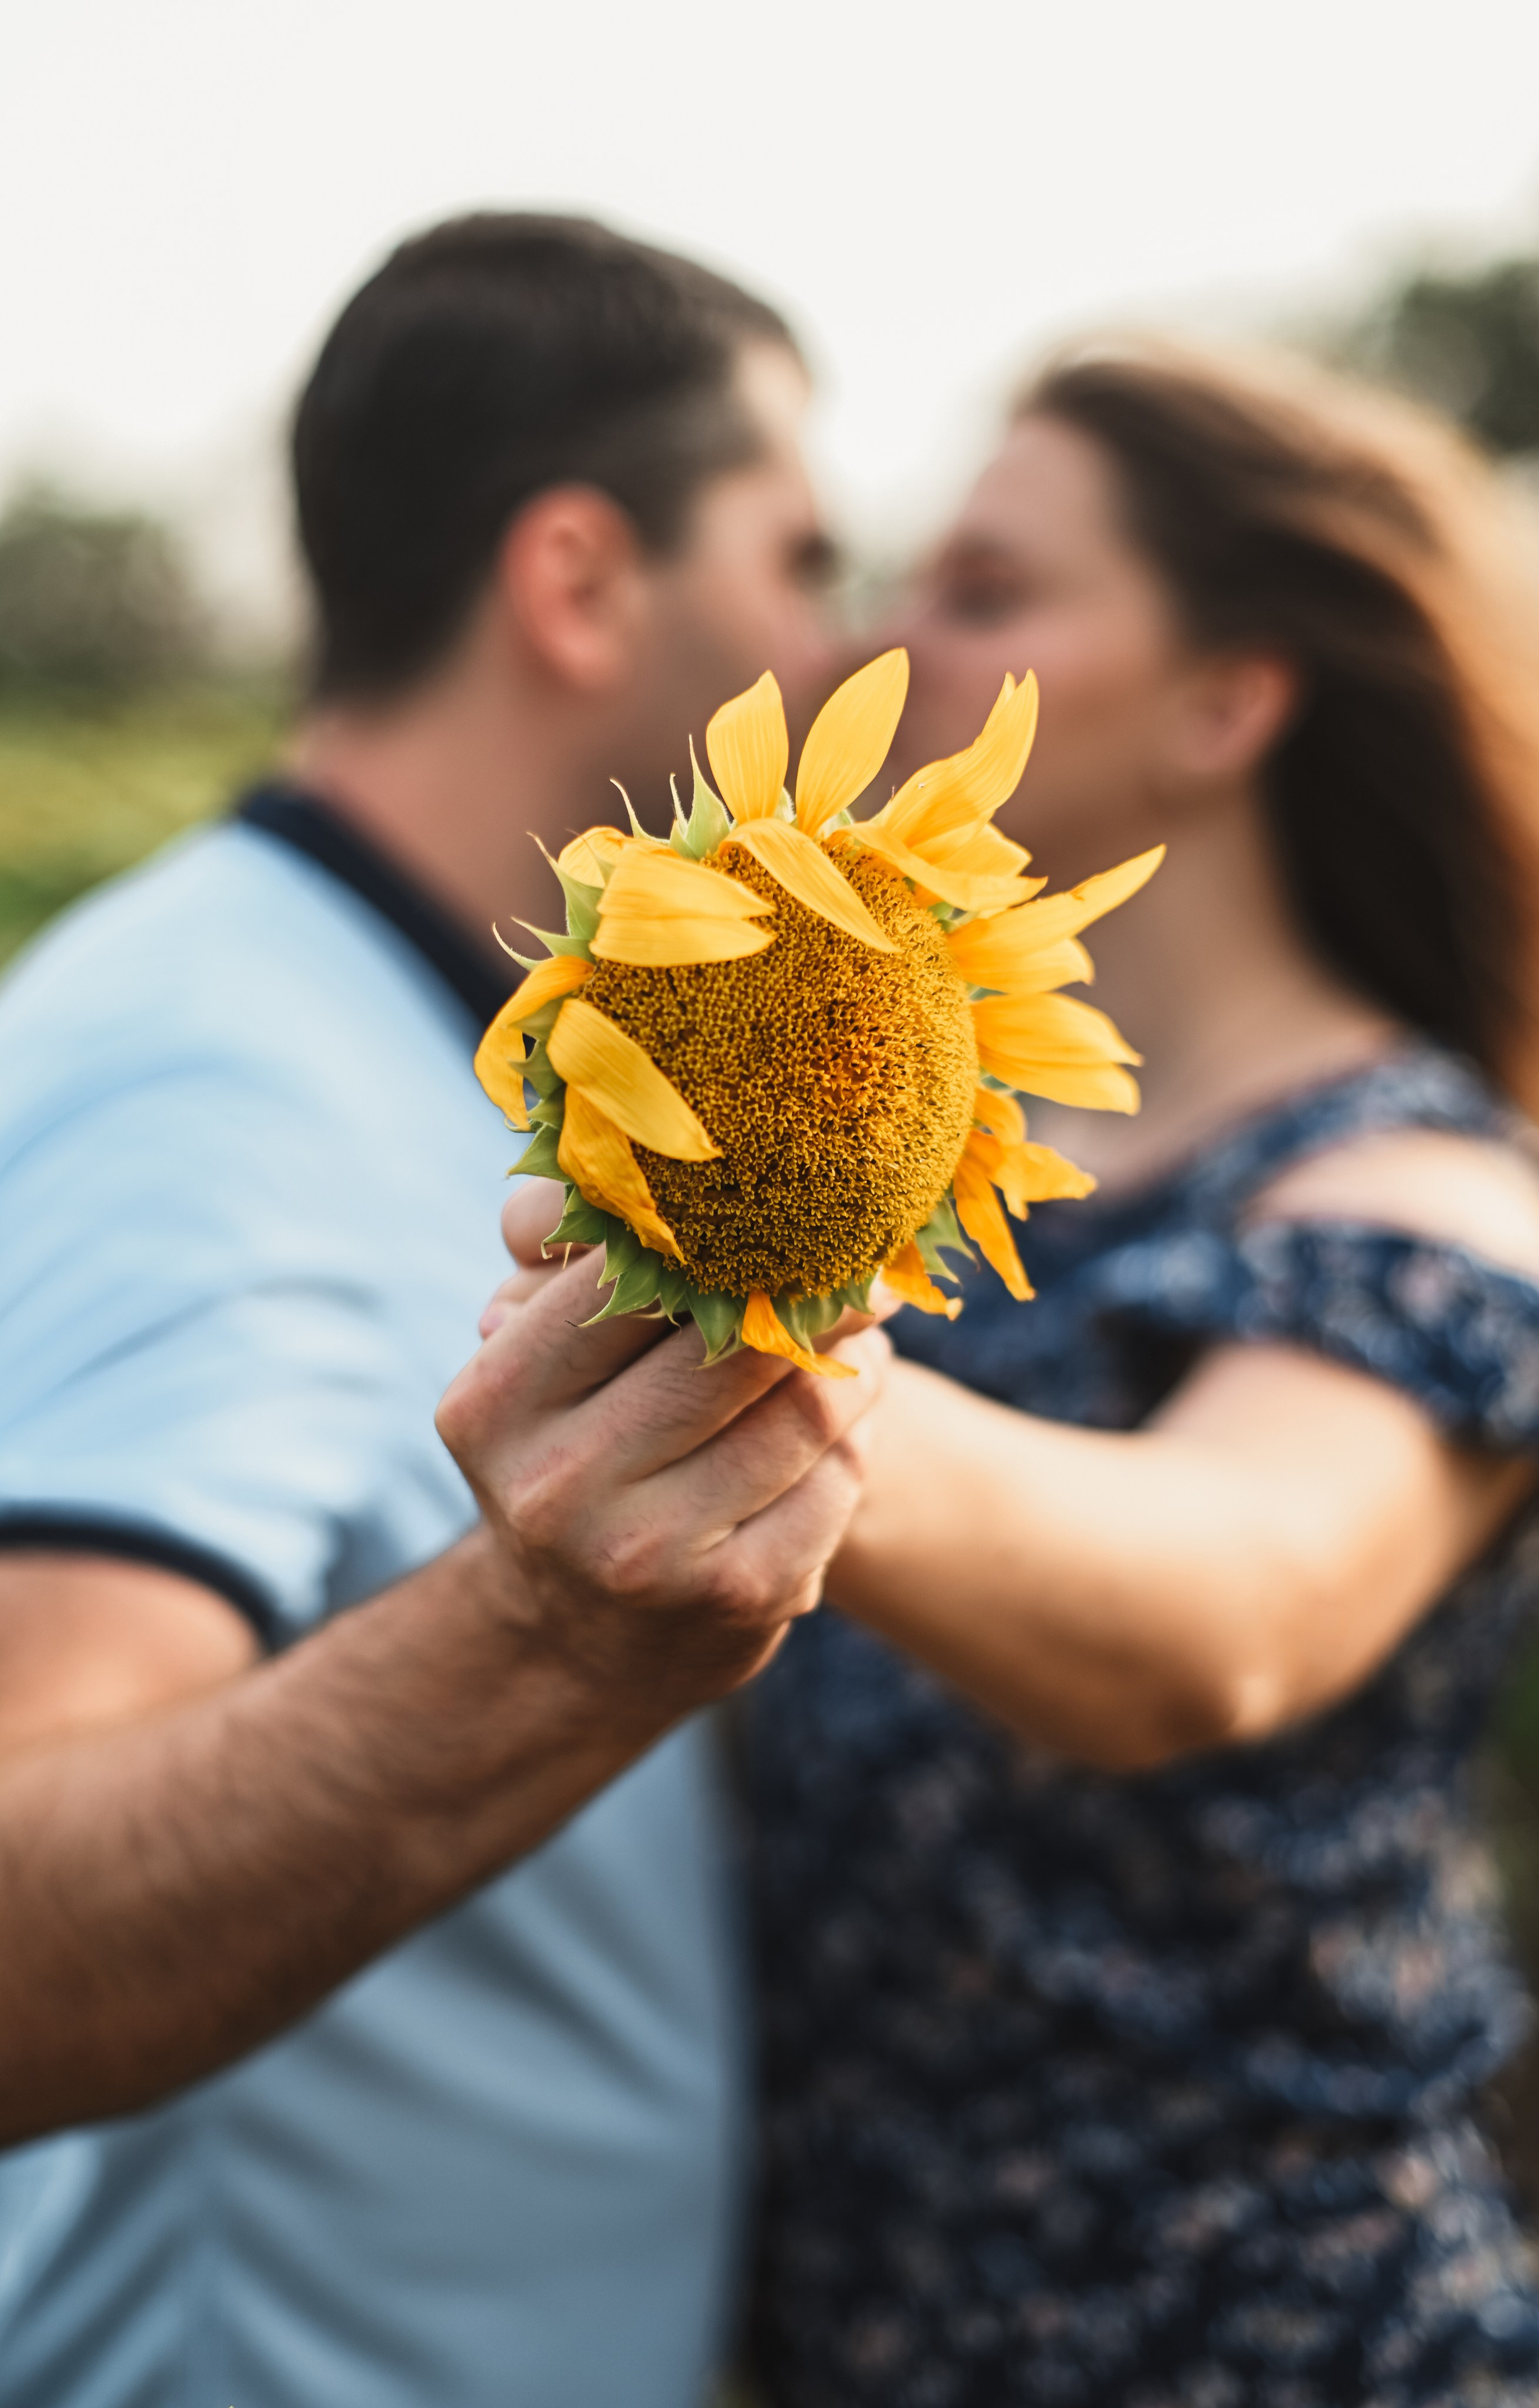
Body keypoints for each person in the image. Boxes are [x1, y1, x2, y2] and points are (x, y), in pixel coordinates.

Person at [0, 212, 889, 2407]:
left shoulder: (408, 1025)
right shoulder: (218, 1074)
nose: (834, 638)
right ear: (577, 579)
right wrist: (565, 1642)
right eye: (794, 556)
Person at [742, 345, 1539, 2402]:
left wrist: (749, 1337)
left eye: (988, 591)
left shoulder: (1422, 1200)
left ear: (1226, 704)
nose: (885, 647)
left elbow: (1205, 1617)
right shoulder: (931, 1174)